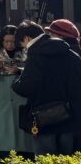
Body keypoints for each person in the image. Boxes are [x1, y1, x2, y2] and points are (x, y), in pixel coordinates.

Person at [12, 19, 81, 156]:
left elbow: (26, 88)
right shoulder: (72, 55)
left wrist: (15, 82)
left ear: (27, 38)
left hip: (44, 121)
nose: (24, 47)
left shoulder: (35, 56)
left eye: (22, 43)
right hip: (69, 120)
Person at [0, 25, 34, 158]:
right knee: (5, 141)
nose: (9, 44)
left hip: (22, 101)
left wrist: (19, 71)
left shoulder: (27, 54)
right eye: (6, 41)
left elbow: (34, 74)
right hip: (2, 103)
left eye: (12, 41)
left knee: (25, 139)